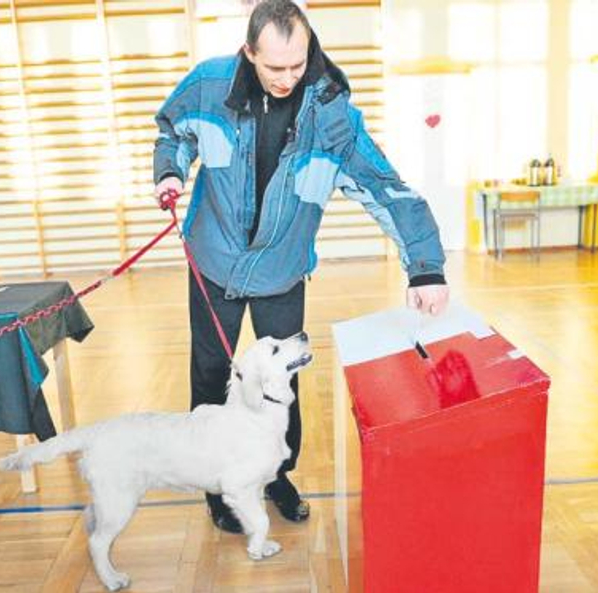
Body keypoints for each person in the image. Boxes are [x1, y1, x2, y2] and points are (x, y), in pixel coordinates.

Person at [153, 0, 449, 533]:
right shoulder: (208, 85)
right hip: (214, 262)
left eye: (298, 64)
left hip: (281, 269)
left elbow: (387, 189)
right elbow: (172, 131)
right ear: (249, 53)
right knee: (212, 374)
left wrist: (425, 267)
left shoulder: (333, 117)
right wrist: (169, 172)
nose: (288, 78)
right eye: (274, 68)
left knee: (282, 380)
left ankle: (276, 474)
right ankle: (216, 483)